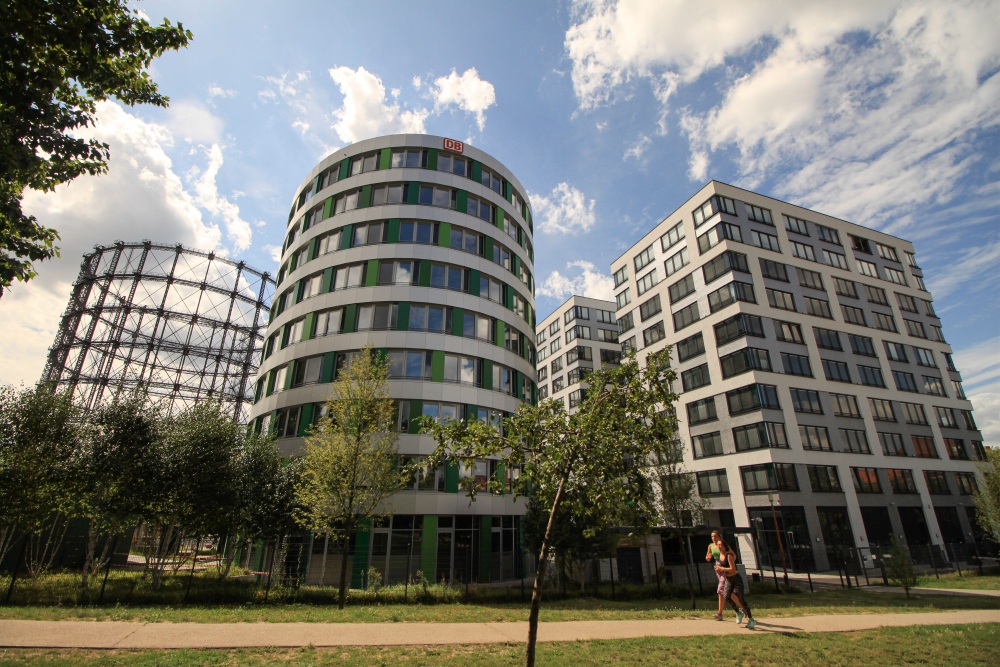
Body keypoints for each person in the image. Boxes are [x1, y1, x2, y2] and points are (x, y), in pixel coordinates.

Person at [714, 536, 756, 629]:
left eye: (721, 545)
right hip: (729, 579)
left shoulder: (728, 556)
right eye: (718, 545)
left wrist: (722, 568)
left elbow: (733, 569)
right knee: (726, 595)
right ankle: (738, 612)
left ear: (725, 547)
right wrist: (718, 568)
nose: (719, 546)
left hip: (736, 578)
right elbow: (723, 567)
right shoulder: (720, 556)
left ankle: (751, 619)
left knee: (741, 599)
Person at [705, 530, 726, 620]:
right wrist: (708, 557)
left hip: (725, 566)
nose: (713, 538)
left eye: (715, 536)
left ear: (719, 537)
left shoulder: (722, 545)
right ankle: (720, 613)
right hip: (717, 567)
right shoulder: (711, 546)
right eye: (712, 537)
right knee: (724, 591)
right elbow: (707, 556)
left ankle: (743, 608)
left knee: (721, 589)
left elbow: (732, 555)